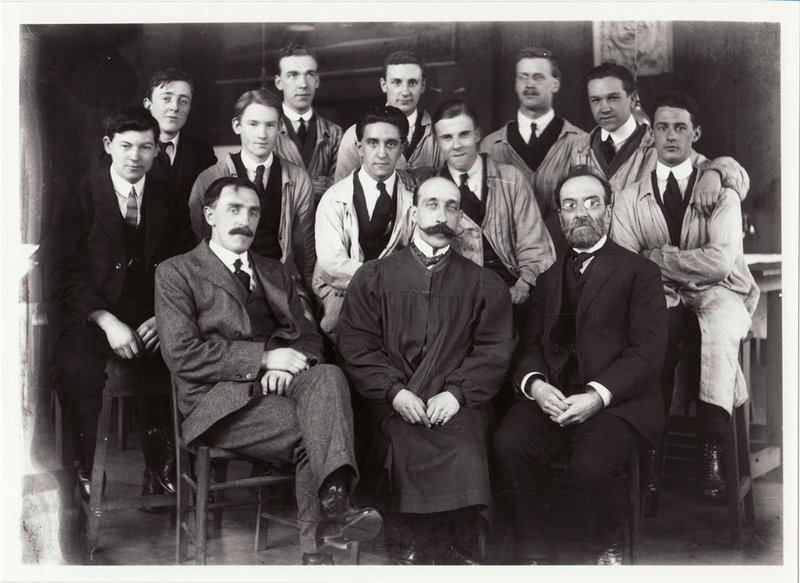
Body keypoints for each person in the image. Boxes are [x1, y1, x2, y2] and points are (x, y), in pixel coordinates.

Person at [155, 176, 382, 565]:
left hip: (281, 386)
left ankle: (333, 502)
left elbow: (310, 337)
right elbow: (182, 354)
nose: (245, 220)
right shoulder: (177, 272)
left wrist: (290, 364)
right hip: (216, 404)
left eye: (254, 212)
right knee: (318, 429)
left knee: (328, 375)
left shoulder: (273, 270)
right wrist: (263, 358)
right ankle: (322, 542)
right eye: (234, 209)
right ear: (209, 215)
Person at [336, 176, 516, 565]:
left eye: (452, 207)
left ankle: (458, 545)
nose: (442, 215)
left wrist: (457, 394)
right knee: (399, 440)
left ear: (460, 218)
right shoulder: (374, 276)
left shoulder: (483, 283)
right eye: (432, 204)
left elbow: (493, 350)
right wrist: (395, 392)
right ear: (414, 212)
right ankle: (408, 544)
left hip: (458, 402)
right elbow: (356, 345)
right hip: (393, 399)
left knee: (466, 445)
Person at [492, 167, 667, 565]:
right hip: (555, 396)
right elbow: (531, 344)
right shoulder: (550, 278)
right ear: (559, 217)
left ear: (608, 209)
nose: (580, 213)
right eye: (570, 205)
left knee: (592, 463)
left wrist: (597, 396)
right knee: (509, 443)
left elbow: (648, 352)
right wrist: (536, 385)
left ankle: (604, 548)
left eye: (591, 202)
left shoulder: (639, 272)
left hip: (618, 402)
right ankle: (534, 549)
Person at [610, 91, 759, 499]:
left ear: (696, 132)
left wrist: (656, 256)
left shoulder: (722, 190)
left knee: (723, 326)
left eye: (680, 127)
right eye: (662, 127)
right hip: (657, 293)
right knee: (651, 334)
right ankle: (652, 451)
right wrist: (658, 266)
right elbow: (626, 263)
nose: (671, 136)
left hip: (718, 291)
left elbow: (719, 264)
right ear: (651, 134)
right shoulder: (627, 197)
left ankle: (710, 449)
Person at [46, 106, 194, 503]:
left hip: (150, 314)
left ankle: (161, 467)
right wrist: (107, 321)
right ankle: (84, 470)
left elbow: (184, 266)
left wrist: (163, 317)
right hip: (89, 315)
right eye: (126, 146)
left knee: (180, 358)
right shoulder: (77, 195)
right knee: (76, 368)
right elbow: (62, 274)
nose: (135, 156)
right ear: (108, 145)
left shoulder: (167, 197)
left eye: (146, 147)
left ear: (156, 151)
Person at [424, 99, 555, 311]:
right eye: (447, 137)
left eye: (463, 135)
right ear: (437, 141)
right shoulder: (430, 188)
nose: (456, 145)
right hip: (457, 299)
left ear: (477, 135)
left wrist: (524, 284)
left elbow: (535, 243)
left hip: (514, 291)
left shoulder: (511, 178)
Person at [571, 63, 749, 210]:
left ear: (632, 100)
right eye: (596, 100)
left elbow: (736, 175)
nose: (604, 108)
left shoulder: (658, 143)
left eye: (613, 98)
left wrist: (716, 173)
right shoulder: (579, 149)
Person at [188, 89, 315, 291]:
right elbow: (200, 242)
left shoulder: (298, 179)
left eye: (270, 125)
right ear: (237, 126)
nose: (262, 134)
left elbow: (304, 247)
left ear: (280, 127)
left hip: (281, 281)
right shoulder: (209, 178)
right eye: (253, 124)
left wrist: (308, 297)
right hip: (224, 283)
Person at [313, 105, 415, 338]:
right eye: (372, 143)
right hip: (342, 295)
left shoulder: (412, 199)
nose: (381, 153)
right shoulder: (334, 199)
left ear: (402, 148)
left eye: (390, 144)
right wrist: (389, 281)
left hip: (398, 300)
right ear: (359, 147)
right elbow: (332, 265)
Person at [479, 48, 587, 246]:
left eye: (538, 77)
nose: (529, 84)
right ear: (515, 84)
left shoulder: (581, 143)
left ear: (556, 83)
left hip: (566, 257)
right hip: (510, 263)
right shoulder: (491, 145)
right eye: (523, 77)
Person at [334, 50, 442, 182]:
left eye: (412, 83)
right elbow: (342, 191)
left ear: (423, 85)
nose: (405, 92)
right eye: (397, 82)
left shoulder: (439, 133)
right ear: (384, 85)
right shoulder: (354, 135)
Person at [273, 44, 343, 207]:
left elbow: (340, 188)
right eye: (293, 75)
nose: (303, 84)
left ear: (317, 80)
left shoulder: (334, 133)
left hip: (323, 223)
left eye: (309, 75)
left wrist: (290, 184)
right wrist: (311, 186)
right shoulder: (268, 130)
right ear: (279, 82)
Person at [142, 68, 217, 206]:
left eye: (183, 101)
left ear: (189, 108)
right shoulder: (127, 149)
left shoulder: (203, 153)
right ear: (148, 104)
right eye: (166, 98)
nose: (175, 107)